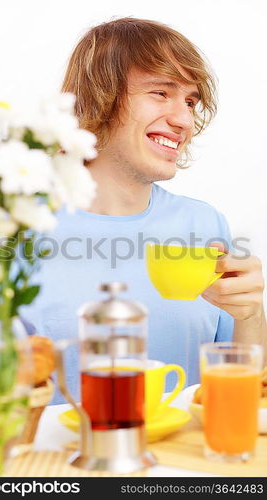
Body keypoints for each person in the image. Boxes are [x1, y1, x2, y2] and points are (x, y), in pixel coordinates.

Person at [20, 17, 267, 403]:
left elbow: (246, 391)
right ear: (98, 97)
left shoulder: (204, 223)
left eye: (190, 101)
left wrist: (251, 316)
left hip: (189, 462)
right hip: (67, 461)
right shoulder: (15, 230)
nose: (184, 120)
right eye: (160, 93)